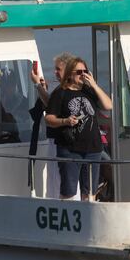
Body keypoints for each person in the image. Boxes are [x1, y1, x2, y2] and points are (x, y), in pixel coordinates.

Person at [45, 57, 113, 201]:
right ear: (70, 74)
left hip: (93, 149)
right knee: (68, 192)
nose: (83, 75)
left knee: (89, 193)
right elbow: (49, 119)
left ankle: (88, 220)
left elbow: (108, 106)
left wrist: (94, 85)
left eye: (85, 71)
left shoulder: (89, 91)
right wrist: (65, 121)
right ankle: (68, 219)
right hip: (70, 149)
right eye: (79, 72)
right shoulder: (60, 93)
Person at [31, 52, 75, 198]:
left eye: (58, 69)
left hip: (60, 141)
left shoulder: (65, 89)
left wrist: (38, 85)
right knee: (56, 178)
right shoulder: (65, 89)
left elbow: (51, 106)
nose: (55, 72)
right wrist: (41, 88)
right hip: (58, 141)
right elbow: (52, 104)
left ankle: (60, 203)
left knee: (58, 179)